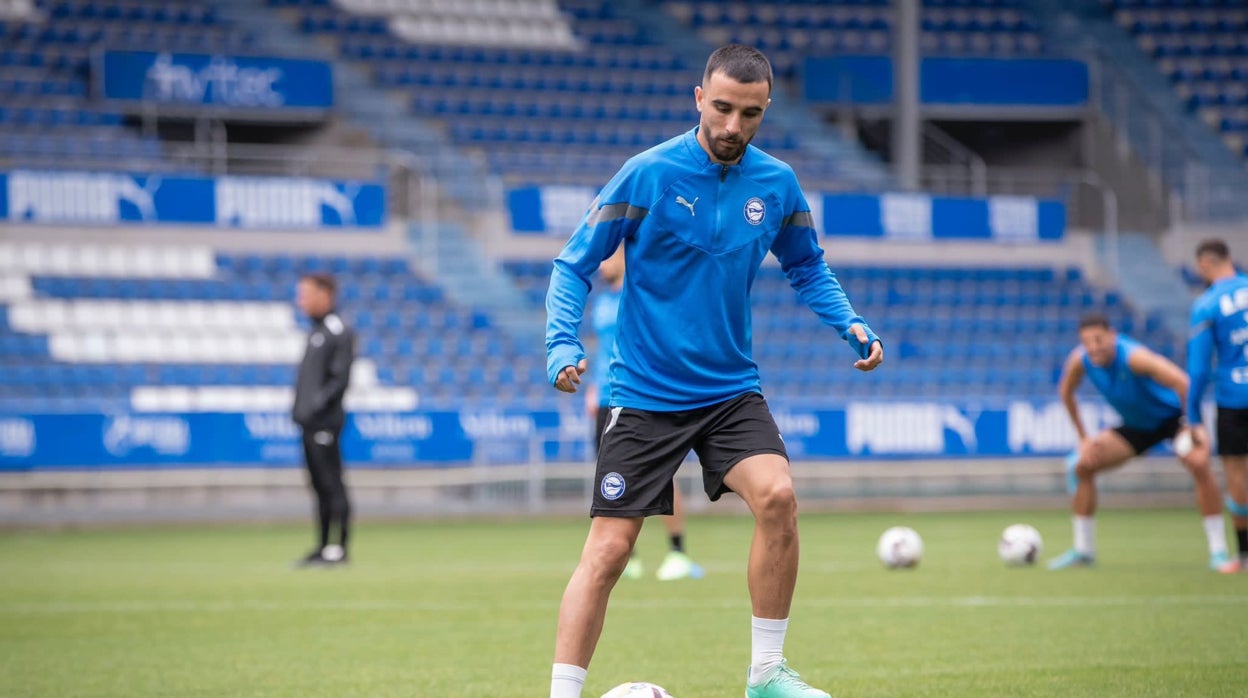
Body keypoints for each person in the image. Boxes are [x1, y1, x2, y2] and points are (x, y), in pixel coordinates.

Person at [545, 45, 883, 698]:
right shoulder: (647, 174)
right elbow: (573, 263)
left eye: (749, 114)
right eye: (722, 108)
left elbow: (806, 264)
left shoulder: (777, 184)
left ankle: (766, 676)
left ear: (765, 112)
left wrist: (850, 322)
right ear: (699, 98)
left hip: (730, 390)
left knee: (779, 497)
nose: (733, 126)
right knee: (610, 553)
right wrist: (562, 345)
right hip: (642, 393)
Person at [1047, 313, 1229, 571]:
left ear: (1112, 335)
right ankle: (1083, 551)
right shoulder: (1081, 360)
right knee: (1083, 466)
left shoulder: (1135, 357)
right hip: (1137, 426)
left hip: (1173, 418)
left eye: (1099, 340)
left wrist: (1192, 424)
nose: (1093, 347)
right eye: (1087, 342)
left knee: (1198, 463)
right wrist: (1084, 439)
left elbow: (1182, 383)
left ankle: (1219, 551)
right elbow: (1066, 392)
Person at [585, 247, 705, 582]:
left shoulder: (640, 293)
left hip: (640, 396)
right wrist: (594, 388)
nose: (602, 262)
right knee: (611, 480)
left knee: (662, 475)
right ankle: (628, 557)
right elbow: (604, 348)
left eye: (608, 256)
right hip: (606, 397)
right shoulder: (604, 299)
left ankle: (677, 551)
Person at [1185, 238, 1248, 574]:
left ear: (1204, 265)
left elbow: (1198, 369)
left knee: (1238, 476)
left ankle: (1243, 555)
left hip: (1234, 398)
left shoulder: (1207, 304)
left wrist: (1193, 416)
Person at [292, 272, 355, 567]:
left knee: (332, 484)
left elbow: (339, 380)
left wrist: (316, 408)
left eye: (306, 294)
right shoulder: (316, 331)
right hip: (309, 423)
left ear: (325, 295)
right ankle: (322, 545)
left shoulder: (337, 330)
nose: (300, 301)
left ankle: (338, 547)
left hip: (325, 423)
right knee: (318, 486)